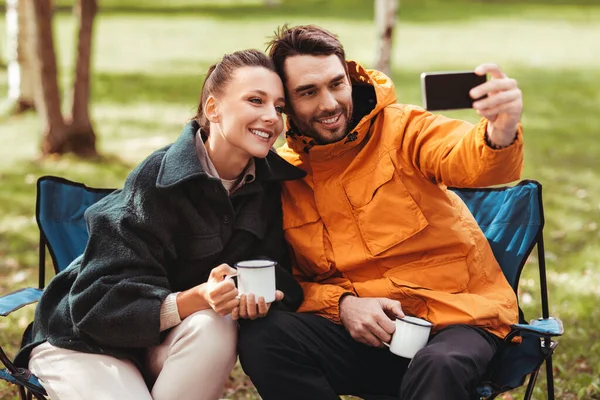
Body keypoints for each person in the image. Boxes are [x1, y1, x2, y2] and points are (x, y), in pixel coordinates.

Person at [237, 25, 524, 399]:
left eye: (336, 84)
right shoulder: (284, 176)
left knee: (437, 366)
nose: (328, 103)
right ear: (285, 104)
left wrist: (499, 131)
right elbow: (286, 283)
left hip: (457, 323)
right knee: (264, 337)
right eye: (308, 92)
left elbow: (469, 158)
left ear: (350, 77)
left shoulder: (403, 129)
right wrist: (343, 306)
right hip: (366, 341)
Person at [14, 49, 305, 400]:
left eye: (279, 107)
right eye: (255, 100)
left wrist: (258, 296)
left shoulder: (271, 185)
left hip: (160, 345)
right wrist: (194, 298)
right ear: (213, 109)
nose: (271, 116)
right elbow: (95, 306)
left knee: (217, 322)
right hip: (80, 342)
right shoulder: (156, 180)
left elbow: (280, 270)